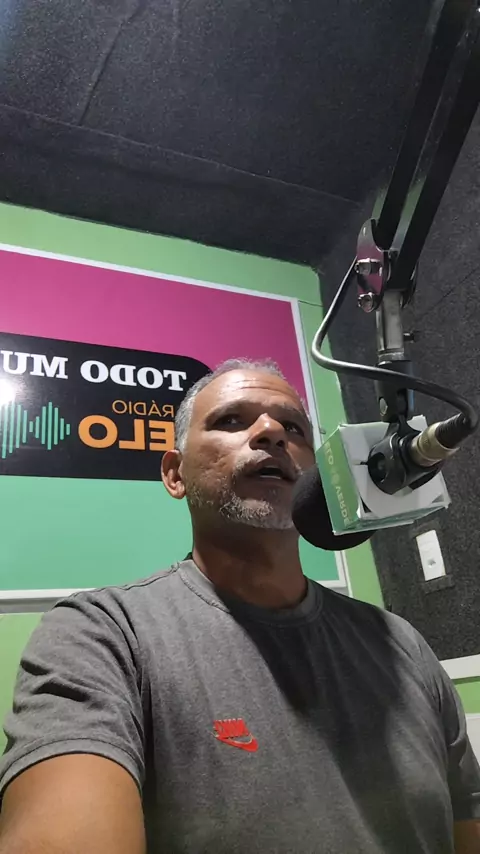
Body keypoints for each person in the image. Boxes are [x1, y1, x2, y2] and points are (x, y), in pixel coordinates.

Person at [0, 358, 479, 854]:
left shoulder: (402, 644)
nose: (271, 432)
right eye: (231, 420)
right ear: (175, 474)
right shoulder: (100, 637)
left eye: (293, 427)